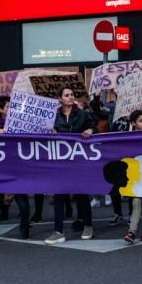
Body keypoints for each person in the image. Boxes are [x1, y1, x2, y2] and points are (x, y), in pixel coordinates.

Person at [0, 96, 33, 245]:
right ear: (1, 110)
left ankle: (25, 228)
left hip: (17, 166)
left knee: (21, 199)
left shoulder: (23, 125)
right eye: (8, 106)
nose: (11, 109)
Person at [46, 87, 96, 245]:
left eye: (72, 95)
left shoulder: (82, 114)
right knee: (59, 195)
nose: (70, 97)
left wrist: (90, 130)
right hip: (60, 162)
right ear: (60, 98)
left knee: (82, 194)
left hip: (79, 161)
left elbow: (94, 126)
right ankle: (58, 231)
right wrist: (50, 130)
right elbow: (43, 132)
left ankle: (88, 226)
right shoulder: (52, 116)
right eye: (66, 95)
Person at [121, 110, 142, 244]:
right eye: (140, 121)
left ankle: (132, 231)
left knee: (137, 201)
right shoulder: (127, 136)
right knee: (140, 203)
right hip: (133, 175)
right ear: (133, 123)